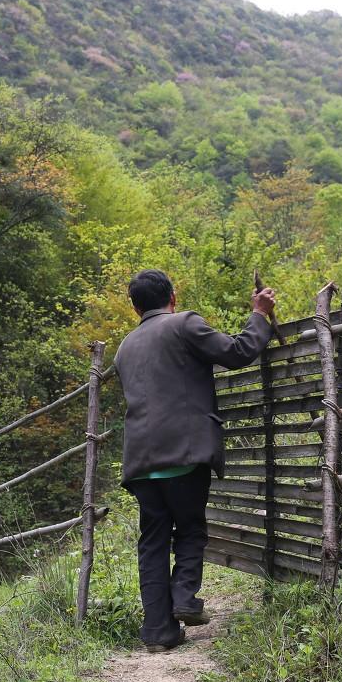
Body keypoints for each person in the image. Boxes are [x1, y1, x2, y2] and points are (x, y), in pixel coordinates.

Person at [113, 269, 276, 651]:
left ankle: (157, 632)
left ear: (135, 307)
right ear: (173, 296)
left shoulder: (124, 348)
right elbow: (237, 353)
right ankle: (185, 597)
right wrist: (259, 314)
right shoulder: (184, 324)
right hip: (184, 452)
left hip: (140, 461)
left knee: (152, 541)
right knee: (189, 529)